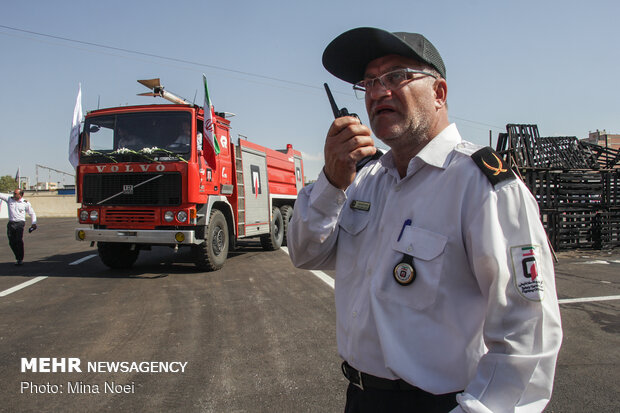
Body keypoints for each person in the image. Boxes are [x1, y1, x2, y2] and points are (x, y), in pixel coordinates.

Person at [288, 27, 562, 413]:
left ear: (439, 93)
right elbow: (304, 253)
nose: (378, 92)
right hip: (361, 398)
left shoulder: (481, 185)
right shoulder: (364, 182)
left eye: (396, 76)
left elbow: (528, 330)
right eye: (368, 82)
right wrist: (332, 181)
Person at [1, 188, 37, 265]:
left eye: (15, 194)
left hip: (20, 223)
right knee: (11, 242)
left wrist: (34, 223)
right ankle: (17, 256)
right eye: (13, 193)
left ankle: (20, 258)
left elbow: (32, 213)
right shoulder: (9, 199)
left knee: (18, 240)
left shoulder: (25, 203)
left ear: (20, 195)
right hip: (11, 223)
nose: (13, 195)